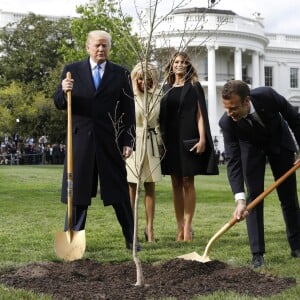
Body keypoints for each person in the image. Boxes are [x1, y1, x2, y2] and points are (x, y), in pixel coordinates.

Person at [53, 30, 139, 251]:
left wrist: (128, 140)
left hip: (110, 140)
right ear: (88, 47)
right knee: (78, 193)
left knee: (119, 192)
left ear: (109, 48)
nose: (101, 49)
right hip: (80, 141)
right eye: (97, 45)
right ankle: (72, 242)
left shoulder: (120, 74)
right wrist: (63, 91)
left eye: (105, 46)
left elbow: (128, 111)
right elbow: (59, 103)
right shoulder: (72, 71)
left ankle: (132, 239)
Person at [219, 79, 300, 267]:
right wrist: (239, 199)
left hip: (279, 143)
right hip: (252, 150)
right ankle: (257, 254)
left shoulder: (267, 96)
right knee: (253, 198)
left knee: (288, 196)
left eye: (234, 108)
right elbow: (233, 160)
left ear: (247, 101)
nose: (230, 113)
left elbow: (293, 118)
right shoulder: (227, 123)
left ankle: (297, 246)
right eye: (226, 108)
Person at [159, 51, 219, 242]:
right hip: (170, 140)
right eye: (176, 62)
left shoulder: (194, 87)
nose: (179, 65)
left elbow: (200, 115)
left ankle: (188, 227)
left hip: (189, 138)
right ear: (171, 65)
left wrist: (202, 139)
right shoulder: (166, 88)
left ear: (188, 66)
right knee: (175, 183)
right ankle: (179, 227)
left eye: (183, 62)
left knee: (187, 181)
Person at [126, 62, 162, 243]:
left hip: (152, 141)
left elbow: (159, 122)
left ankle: (150, 229)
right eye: (140, 78)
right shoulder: (129, 95)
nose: (143, 82)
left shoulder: (158, 96)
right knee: (132, 186)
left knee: (150, 186)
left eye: (148, 78)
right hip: (134, 141)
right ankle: (132, 229)